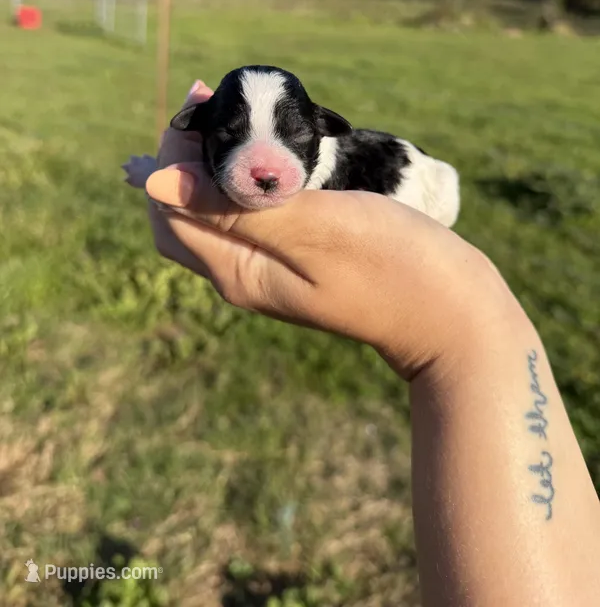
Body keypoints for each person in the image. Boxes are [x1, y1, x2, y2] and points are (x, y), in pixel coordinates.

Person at [141, 80, 600, 607]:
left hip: (414, 187)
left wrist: (446, 318)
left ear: (320, 131)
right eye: (230, 135)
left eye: (294, 136)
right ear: (204, 131)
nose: (265, 166)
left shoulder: (368, 171)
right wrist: (466, 326)